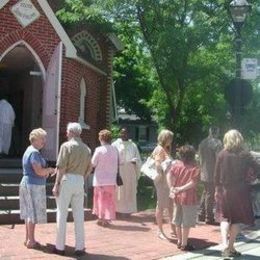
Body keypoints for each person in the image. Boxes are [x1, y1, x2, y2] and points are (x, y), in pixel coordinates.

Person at [214, 129, 259, 258]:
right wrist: (254, 178)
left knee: (225, 217)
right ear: (239, 138)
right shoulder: (245, 154)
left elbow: (216, 174)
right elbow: (257, 168)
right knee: (237, 219)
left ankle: (225, 244)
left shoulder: (221, 154)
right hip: (241, 190)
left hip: (225, 190)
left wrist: (217, 189)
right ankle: (231, 247)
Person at [52, 122, 92, 257]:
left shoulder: (66, 146)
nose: (66, 133)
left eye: (68, 131)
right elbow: (89, 168)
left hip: (67, 179)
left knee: (62, 213)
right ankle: (80, 247)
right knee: (79, 215)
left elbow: (61, 168)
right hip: (80, 180)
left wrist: (56, 184)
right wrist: (82, 178)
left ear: (72, 132)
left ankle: (60, 247)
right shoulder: (86, 148)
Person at [19, 128, 55, 249]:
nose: (44, 141)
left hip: (28, 183)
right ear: (34, 139)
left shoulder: (29, 150)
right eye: (42, 139)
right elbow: (38, 171)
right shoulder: (34, 152)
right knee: (32, 213)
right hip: (33, 185)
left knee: (29, 212)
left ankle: (28, 238)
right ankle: (31, 240)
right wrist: (49, 170)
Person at [167, 145, 200, 251]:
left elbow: (169, 175)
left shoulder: (177, 165)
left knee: (177, 220)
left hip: (177, 196)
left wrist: (171, 187)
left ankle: (179, 241)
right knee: (186, 222)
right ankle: (185, 244)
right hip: (189, 197)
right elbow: (193, 183)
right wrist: (181, 188)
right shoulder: (195, 167)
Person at [152, 129, 176, 240]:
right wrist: (162, 172)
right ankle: (160, 230)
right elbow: (157, 164)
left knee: (170, 205)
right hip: (162, 181)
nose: (171, 140)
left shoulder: (165, 149)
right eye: (170, 138)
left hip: (167, 181)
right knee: (161, 205)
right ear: (165, 138)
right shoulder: (160, 149)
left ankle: (173, 228)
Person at [112, 128, 142, 217]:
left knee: (129, 190)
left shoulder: (133, 145)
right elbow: (112, 158)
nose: (124, 135)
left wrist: (135, 161)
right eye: (122, 133)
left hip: (130, 171)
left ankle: (128, 211)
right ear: (119, 134)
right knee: (119, 191)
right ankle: (117, 210)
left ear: (128, 134)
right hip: (119, 170)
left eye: (126, 133)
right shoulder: (115, 145)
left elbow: (138, 159)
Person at [91, 129, 118, 226]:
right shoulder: (115, 149)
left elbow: (93, 163)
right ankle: (108, 218)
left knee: (100, 199)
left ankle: (101, 217)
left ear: (101, 138)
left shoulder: (99, 150)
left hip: (100, 179)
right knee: (109, 200)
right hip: (111, 179)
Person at [198, 126, 222, 224]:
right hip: (212, 172)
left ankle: (201, 213)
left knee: (206, 192)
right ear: (216, 132)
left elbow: (199, 157)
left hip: (203, 170)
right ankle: (209, 217)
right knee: (210, 194)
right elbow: (219, 159)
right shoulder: (217, 143)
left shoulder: (203, 142)